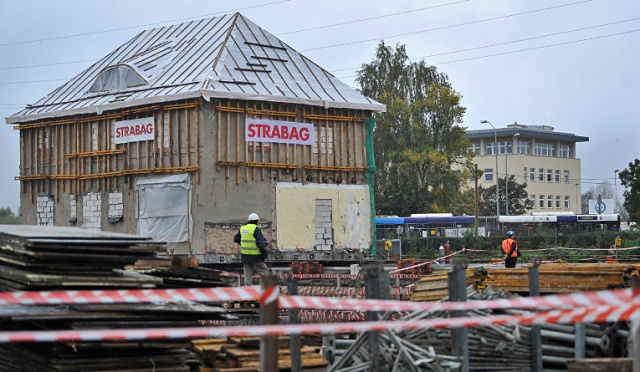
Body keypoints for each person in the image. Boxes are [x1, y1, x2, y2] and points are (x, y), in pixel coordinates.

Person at [234, 213, 269, 286]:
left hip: (245, 256)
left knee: (247, 275)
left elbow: (236, 239)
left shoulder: (243, 228)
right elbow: (261, 244)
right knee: (264, 273)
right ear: (257, 221)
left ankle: (248, 292)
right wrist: (265, 256)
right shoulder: (256, 229)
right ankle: (264, 289)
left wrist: (243, 244)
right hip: (256, 256)